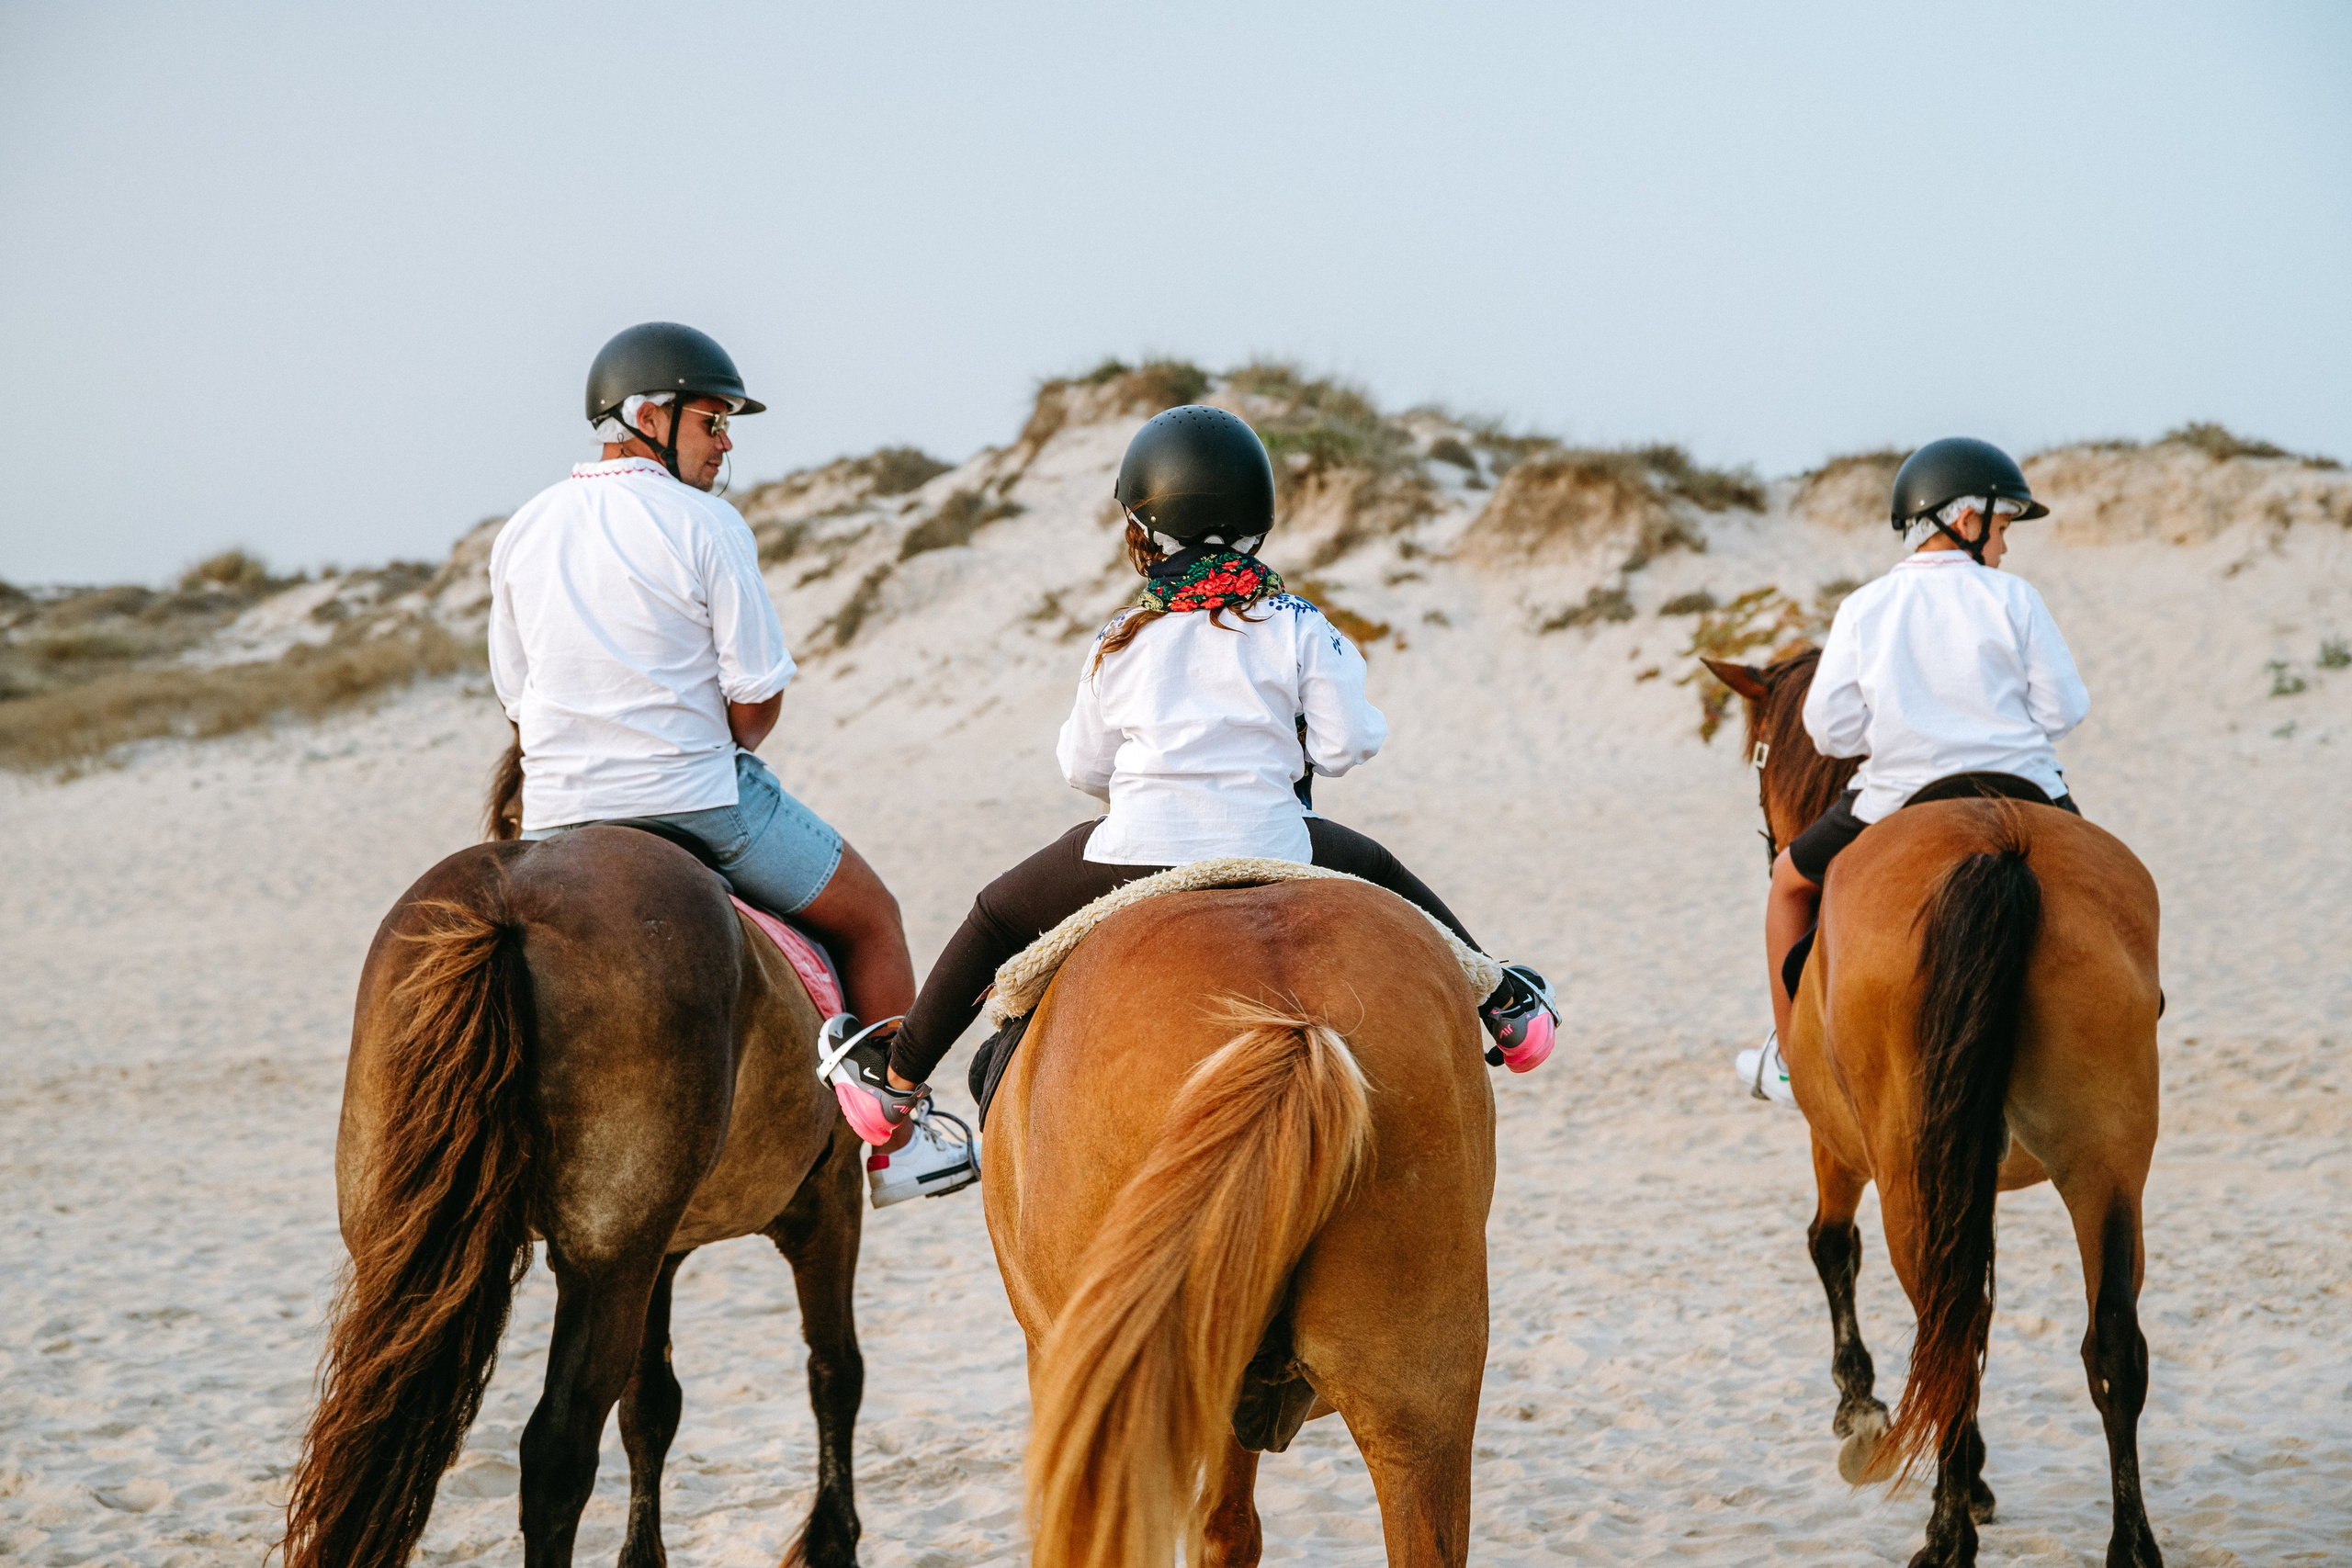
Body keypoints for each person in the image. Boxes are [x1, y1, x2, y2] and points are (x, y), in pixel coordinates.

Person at [820, 404, 1559, 1144]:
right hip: (1275, 838)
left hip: (1134, 847)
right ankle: (1506, 1004)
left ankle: (896, 1084)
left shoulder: (1120, 636)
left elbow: (1080, 766)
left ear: (1143, 533)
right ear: (1258, 524)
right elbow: (1344, 747)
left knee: (996, 916)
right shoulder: (1300, 624)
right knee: (1382, 869)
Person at [490, 321, 971, 1194]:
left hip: (557, 816)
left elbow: (518, 699)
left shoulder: (522, 529)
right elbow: (755, 705)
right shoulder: (707, 523)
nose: (726, 441)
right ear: (646, 415)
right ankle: (899, 1143)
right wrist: (716, 737)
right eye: (712, 421)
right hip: (697, 799)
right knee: (873, 917)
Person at [1738, 436, 2089, 1104]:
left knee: (1787, 884)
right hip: (2031, 791)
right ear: (1964, 520)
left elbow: (1827, 730)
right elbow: (2065, 709)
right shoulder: (2016, 599)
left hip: (1898, 797)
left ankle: (1793, 1064)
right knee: (2107, 882)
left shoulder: (1865, 608)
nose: (2005, 546)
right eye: (2004, 527)